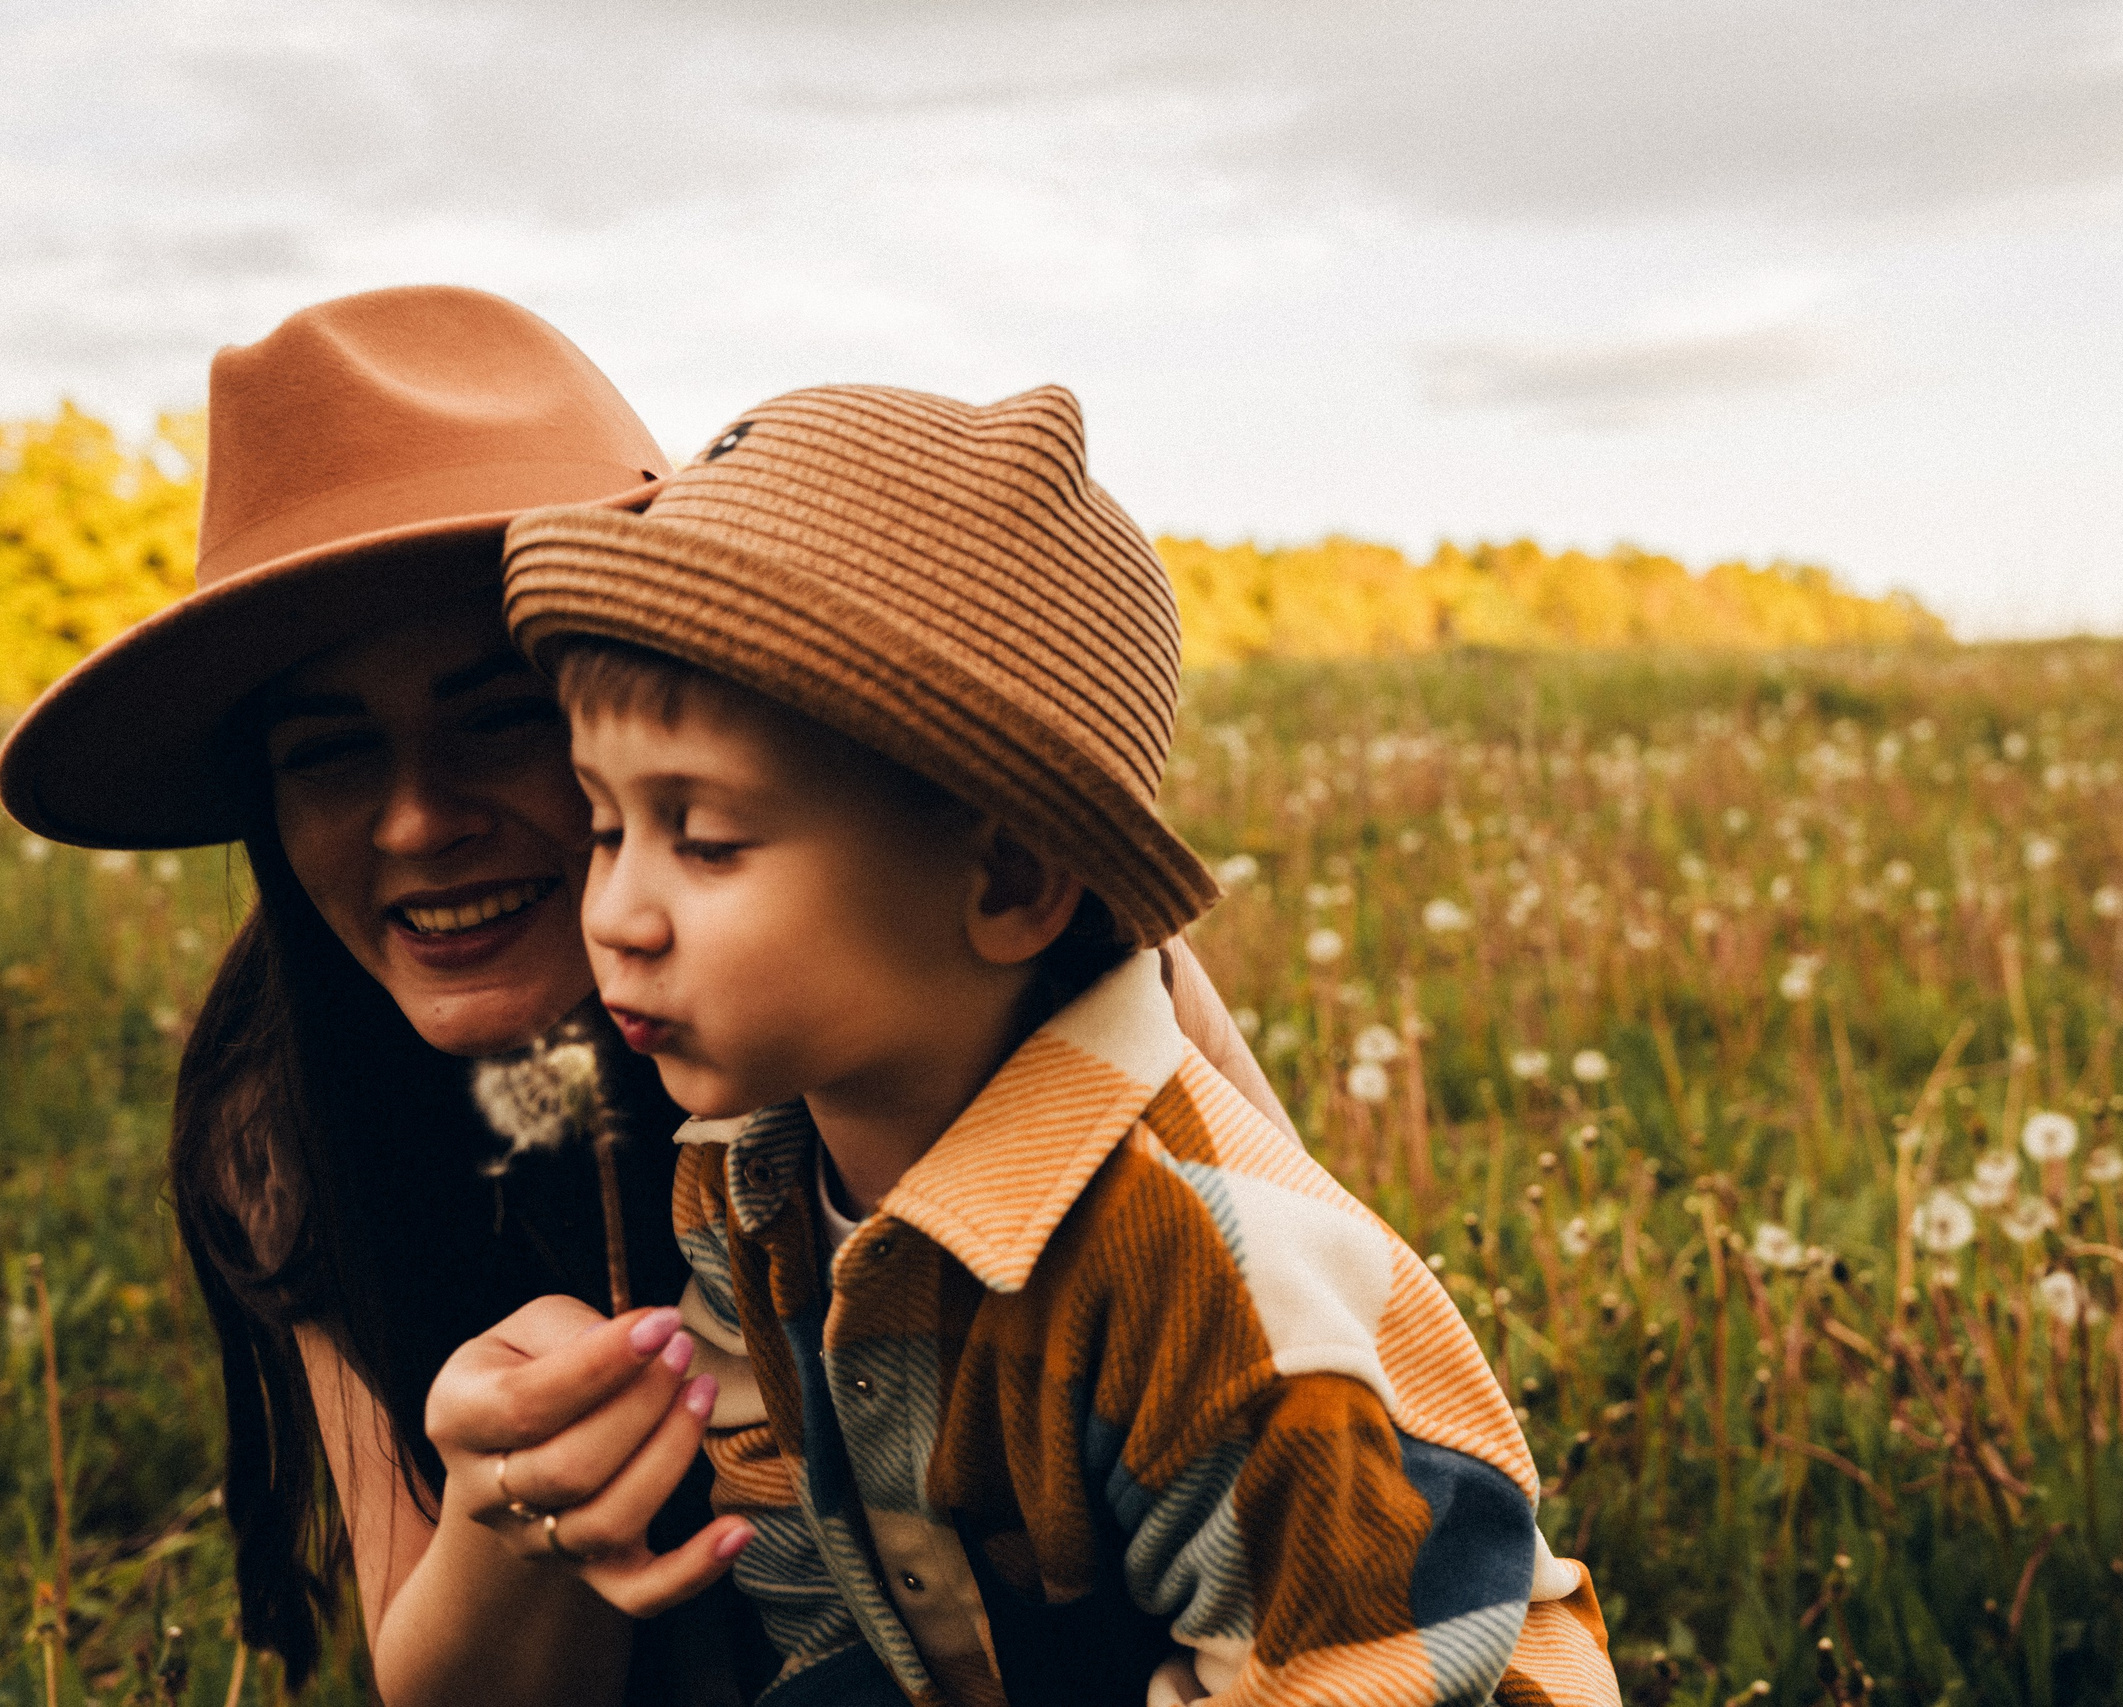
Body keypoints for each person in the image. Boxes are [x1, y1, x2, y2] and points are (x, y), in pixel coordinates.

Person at [0, 290, 1288, 1707]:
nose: (416, 823)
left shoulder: (984, 960)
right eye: (329, 753)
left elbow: (1324, 1380)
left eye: (502, 716)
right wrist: (509, 1522)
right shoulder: (289, 1104)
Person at [496, 382, 1621, 1706]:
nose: (617, 915)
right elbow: (797, 1542)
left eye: (707, 839)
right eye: (605, 827)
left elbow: (1350, 1669)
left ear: (1013, 880)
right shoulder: (741, 1180)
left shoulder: (1209, 1271)